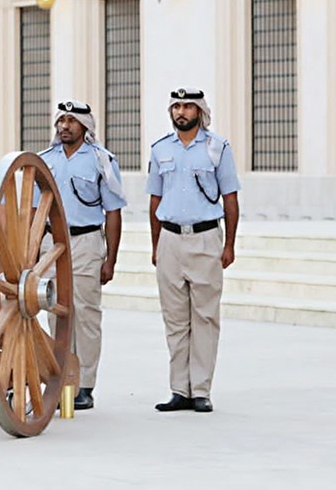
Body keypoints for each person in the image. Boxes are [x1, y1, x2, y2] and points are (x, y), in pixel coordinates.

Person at [146, 87, 240, 413]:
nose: (181, 112)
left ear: (200, 111)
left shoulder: (217, 148)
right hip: (170, 239)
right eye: (176, 106)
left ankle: (200, 389)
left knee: (205, 317)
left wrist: (229, 244)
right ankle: (178, 389)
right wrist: (155, 244)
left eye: (188, 106)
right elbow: (155, 199)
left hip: (205, 237)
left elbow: (230, 198)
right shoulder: (160, 149)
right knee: (174, 319)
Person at [38, 100, 126, 411]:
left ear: (85, 126)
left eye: (71, 121)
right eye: (61, 121)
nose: (64, 126)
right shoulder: (44, 161)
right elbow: (34, 211)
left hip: (86, 242)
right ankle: (63, 379)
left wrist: (110, 259)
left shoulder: (102, 161)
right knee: (55, 311)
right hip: (51, 243)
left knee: (86, 314)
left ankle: (85, 385)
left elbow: (113, 212)